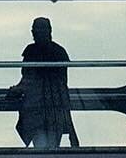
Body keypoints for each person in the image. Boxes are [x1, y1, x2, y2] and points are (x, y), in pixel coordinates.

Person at [12, 17, 79, 149]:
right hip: (56, 107)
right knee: (51, 148)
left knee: (42, 149)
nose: (35, 33)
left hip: (39, 108)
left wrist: (16, 90)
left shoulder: (32, 52)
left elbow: (28, 80)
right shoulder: (59, 52)